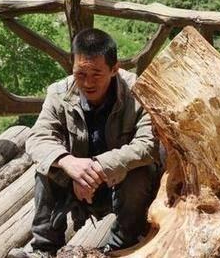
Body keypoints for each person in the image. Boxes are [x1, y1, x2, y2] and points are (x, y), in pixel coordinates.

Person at [10, 28, 160, 258]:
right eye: (80, 74)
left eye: (96, 74)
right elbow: (37, 137)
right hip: (76, 185)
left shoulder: (137, 92)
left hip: (119, 185)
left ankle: (121, 247)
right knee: (46, 168)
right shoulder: (59, 92)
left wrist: (97, 167)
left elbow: (148, 144)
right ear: (72, 67)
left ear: (114, 68)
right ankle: (44, 250)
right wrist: (68, 163)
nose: (87, 83)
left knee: (141, 171)